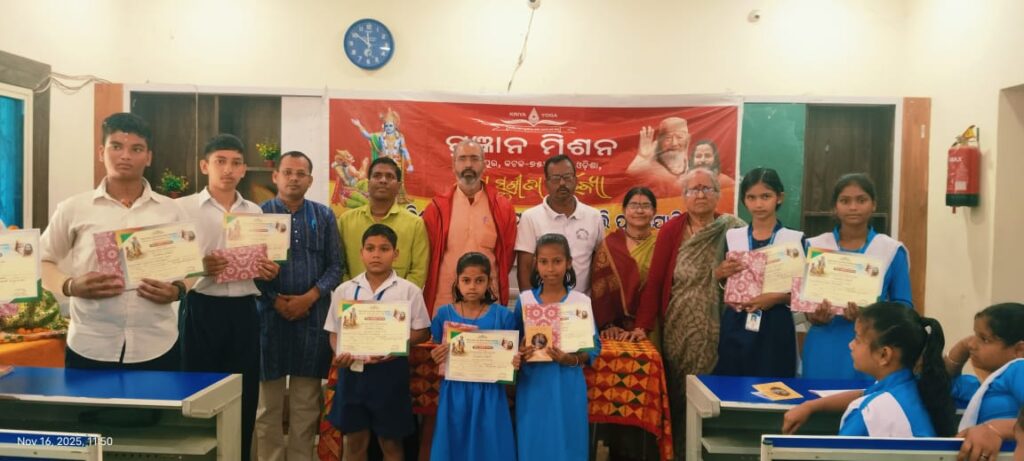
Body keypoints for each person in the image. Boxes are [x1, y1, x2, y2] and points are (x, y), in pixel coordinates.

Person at [40, 112, 189, 370]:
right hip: (90, 344)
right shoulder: (74, 208)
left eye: (136, 149)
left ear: (148, 157)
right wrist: (70, 285)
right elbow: (41, 260)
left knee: (158, 400)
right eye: (116, 146)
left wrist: (178, 290)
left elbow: (191, 267)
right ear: (102, 152)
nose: (125, 156)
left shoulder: (171, 211)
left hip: (157, 344)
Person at [176, 134, 279, 459]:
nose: (228, 169)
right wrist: (200, 267)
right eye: (220, 161)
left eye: (235, 163)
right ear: (204, 166)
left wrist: (268, 270)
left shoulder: (255, 212)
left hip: (245, 311)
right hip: (201, 309)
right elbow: (168, 264)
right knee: (199, 391)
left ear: (244, 169)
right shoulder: (182, 209)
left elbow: (264, 261)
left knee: (244, 393)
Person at [632, 167, 745, 455]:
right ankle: (679, 450)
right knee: (679, 392)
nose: (700, 194)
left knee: (712, 391)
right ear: (684, 196)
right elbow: (656, 281)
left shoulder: (733, 229)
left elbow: (749, 274)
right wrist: (642, 326)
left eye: (707, 188)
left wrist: (721, 275)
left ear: (718, 194)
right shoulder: (672, 230)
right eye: (694, 189)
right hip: (678, 327)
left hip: (718, 327)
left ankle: (708, 451)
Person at [254, 151, 343, 461]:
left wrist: (310, 297)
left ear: (310, 180)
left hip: (312, 317)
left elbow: (336, 266)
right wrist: (274, 300)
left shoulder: (324, 216)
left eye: (300, 174)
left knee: (306, 404)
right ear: (275, 176)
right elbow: (247, 268)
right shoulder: (258, 215)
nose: (294, 178)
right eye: (287, 172)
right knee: (267, 405)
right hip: (268, 318)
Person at [324, 224, 431, 461]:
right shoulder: (344, 290)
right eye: (370, 248)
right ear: (361, 253)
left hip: (390, 372)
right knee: (355, 442)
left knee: (391, 443)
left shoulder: (409, 291)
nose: (376, 254)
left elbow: (423, 332)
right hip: (353, 372)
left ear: (396, 254)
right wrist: (340, 352)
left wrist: (398, 343)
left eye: (384, 249)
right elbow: (334, 332)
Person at [782, 302, 956, 438]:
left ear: (884, 355)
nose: (850, 345)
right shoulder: (916, 386)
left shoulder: (868, 413)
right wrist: (811, 406)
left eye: (857, 339)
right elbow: (865, 393)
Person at [802, 173, 913, 380]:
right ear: (835, 207)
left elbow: (904, 308)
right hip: (824, 344)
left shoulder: (890, 250)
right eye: (845, 201)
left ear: (874, 205)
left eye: (861, 200)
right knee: (816, 397)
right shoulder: (815, 246)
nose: (853, 207)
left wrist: (870, 314)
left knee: (866, 398)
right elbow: (803, 301)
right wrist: (813, 316)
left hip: (873, 348)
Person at [515, 233, 601, 461]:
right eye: (544, 262)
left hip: (567, 385)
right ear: (535, 263)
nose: (550, 269)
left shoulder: (580, 302)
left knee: (568, 443)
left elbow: (593, 348)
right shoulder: (525, 301)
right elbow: (513, 344)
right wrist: (520, 350)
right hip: (533, 385)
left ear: (569, 263)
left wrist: (572, 359)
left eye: (557, 261)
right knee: (534, 442)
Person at [429, 252, 519, 461]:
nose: (472, 286)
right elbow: (436, 350)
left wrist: (514, 362)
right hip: (455, 392)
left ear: (489, 282)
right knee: (455, 443)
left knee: (489, 445)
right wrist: (436, 355)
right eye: (466, 280)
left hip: (490, 393)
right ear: (457, 281)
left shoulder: (503, 316)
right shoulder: (444, 315)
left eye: (479, 280)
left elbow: (512, 356)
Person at [713, 168, 801, 377]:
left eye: (766, 196)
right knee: (732, 383)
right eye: (751, 197)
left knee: (772, 384)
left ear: (779, 197)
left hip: (775, 324)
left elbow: (802, 293)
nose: (758, 204)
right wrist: (720, 275)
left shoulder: (794, 239)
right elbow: (723, 282)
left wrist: (777, 298)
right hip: (737, 320)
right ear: (744, 200)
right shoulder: (733, 236)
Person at [423, 138, 517, 313]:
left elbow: (507, 257)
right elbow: (428, 259)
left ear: (484, 165)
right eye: (462, 159)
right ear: (453, 165)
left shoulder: (502, 208)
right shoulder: (436, 209)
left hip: (488, 302)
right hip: (446, 304)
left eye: (474, 159)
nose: (468, 164)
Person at [515, 155, 604, 295]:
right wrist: (529, 302)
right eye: (556, 178)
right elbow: (524, 268)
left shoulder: (594, 216)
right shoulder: (530, 217)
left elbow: (599, 264)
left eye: (567, 177)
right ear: (546, 183)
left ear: (576, 180)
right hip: (543, 303)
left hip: (582, 303)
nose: (562, 183)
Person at [946, 303, 1023, 461]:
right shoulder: (985, 387)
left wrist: (996, 429)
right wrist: (962, 348)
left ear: (1018, 350)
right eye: (974, 335)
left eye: (984, 339)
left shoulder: (1019, 368)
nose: (972, 344)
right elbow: (941, 382)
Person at [338, 157, 429, 287]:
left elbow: (418, 272)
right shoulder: (346, 221)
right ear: (368, 183)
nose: (383, 180)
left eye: (389, 176)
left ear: (398, 186)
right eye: (377, 176)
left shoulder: (415, 224)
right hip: (354, 297)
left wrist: (393, 295)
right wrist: (355, 292)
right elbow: (339, 266)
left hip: (400, 298)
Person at [591, 187, 657, 342]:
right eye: (633, 205)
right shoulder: (610, 245)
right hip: (615, 330)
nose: (639, 211)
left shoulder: (661, 245)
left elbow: (662, 289)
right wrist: (608, 324)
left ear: (654, 211)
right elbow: (599, 288)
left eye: (645, 206)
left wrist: (643, 326)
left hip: (651, 326)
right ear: (624, 210)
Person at [627, 117, 690, 196]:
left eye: (679, 137)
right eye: (668, 138)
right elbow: (631, 173)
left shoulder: (684, 154)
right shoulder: (654, 155)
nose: (674, 143)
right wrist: (642, 157)